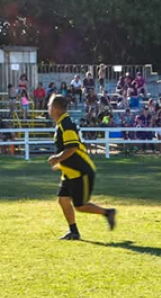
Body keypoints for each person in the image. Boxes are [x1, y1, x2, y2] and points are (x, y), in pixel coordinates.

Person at [46, 95, 116, 240]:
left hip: (81, 172)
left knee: (80, 205)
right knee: (63, 200)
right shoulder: (61, 123)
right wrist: (60, 164)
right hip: (70, 172)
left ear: (55, 108)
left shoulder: (66, 124)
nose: (48, 109)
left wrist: (57, 158)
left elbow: (72, 148)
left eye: (49, 106)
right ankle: (74, 232)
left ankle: (108, 212)